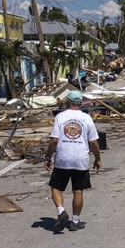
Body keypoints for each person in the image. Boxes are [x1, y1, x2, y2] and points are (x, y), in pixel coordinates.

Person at [44, 90, 101, 232]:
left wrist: (48, 156)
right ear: (80, 103)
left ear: (68, 102)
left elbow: (54, 140)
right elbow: (93, 142)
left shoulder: (61, 117)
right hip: (81, 159)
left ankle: (61, 211)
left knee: (56, 187)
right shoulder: (87, 118)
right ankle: (75, 221)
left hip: (63, 158)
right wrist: (98, 158)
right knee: (78, 190)